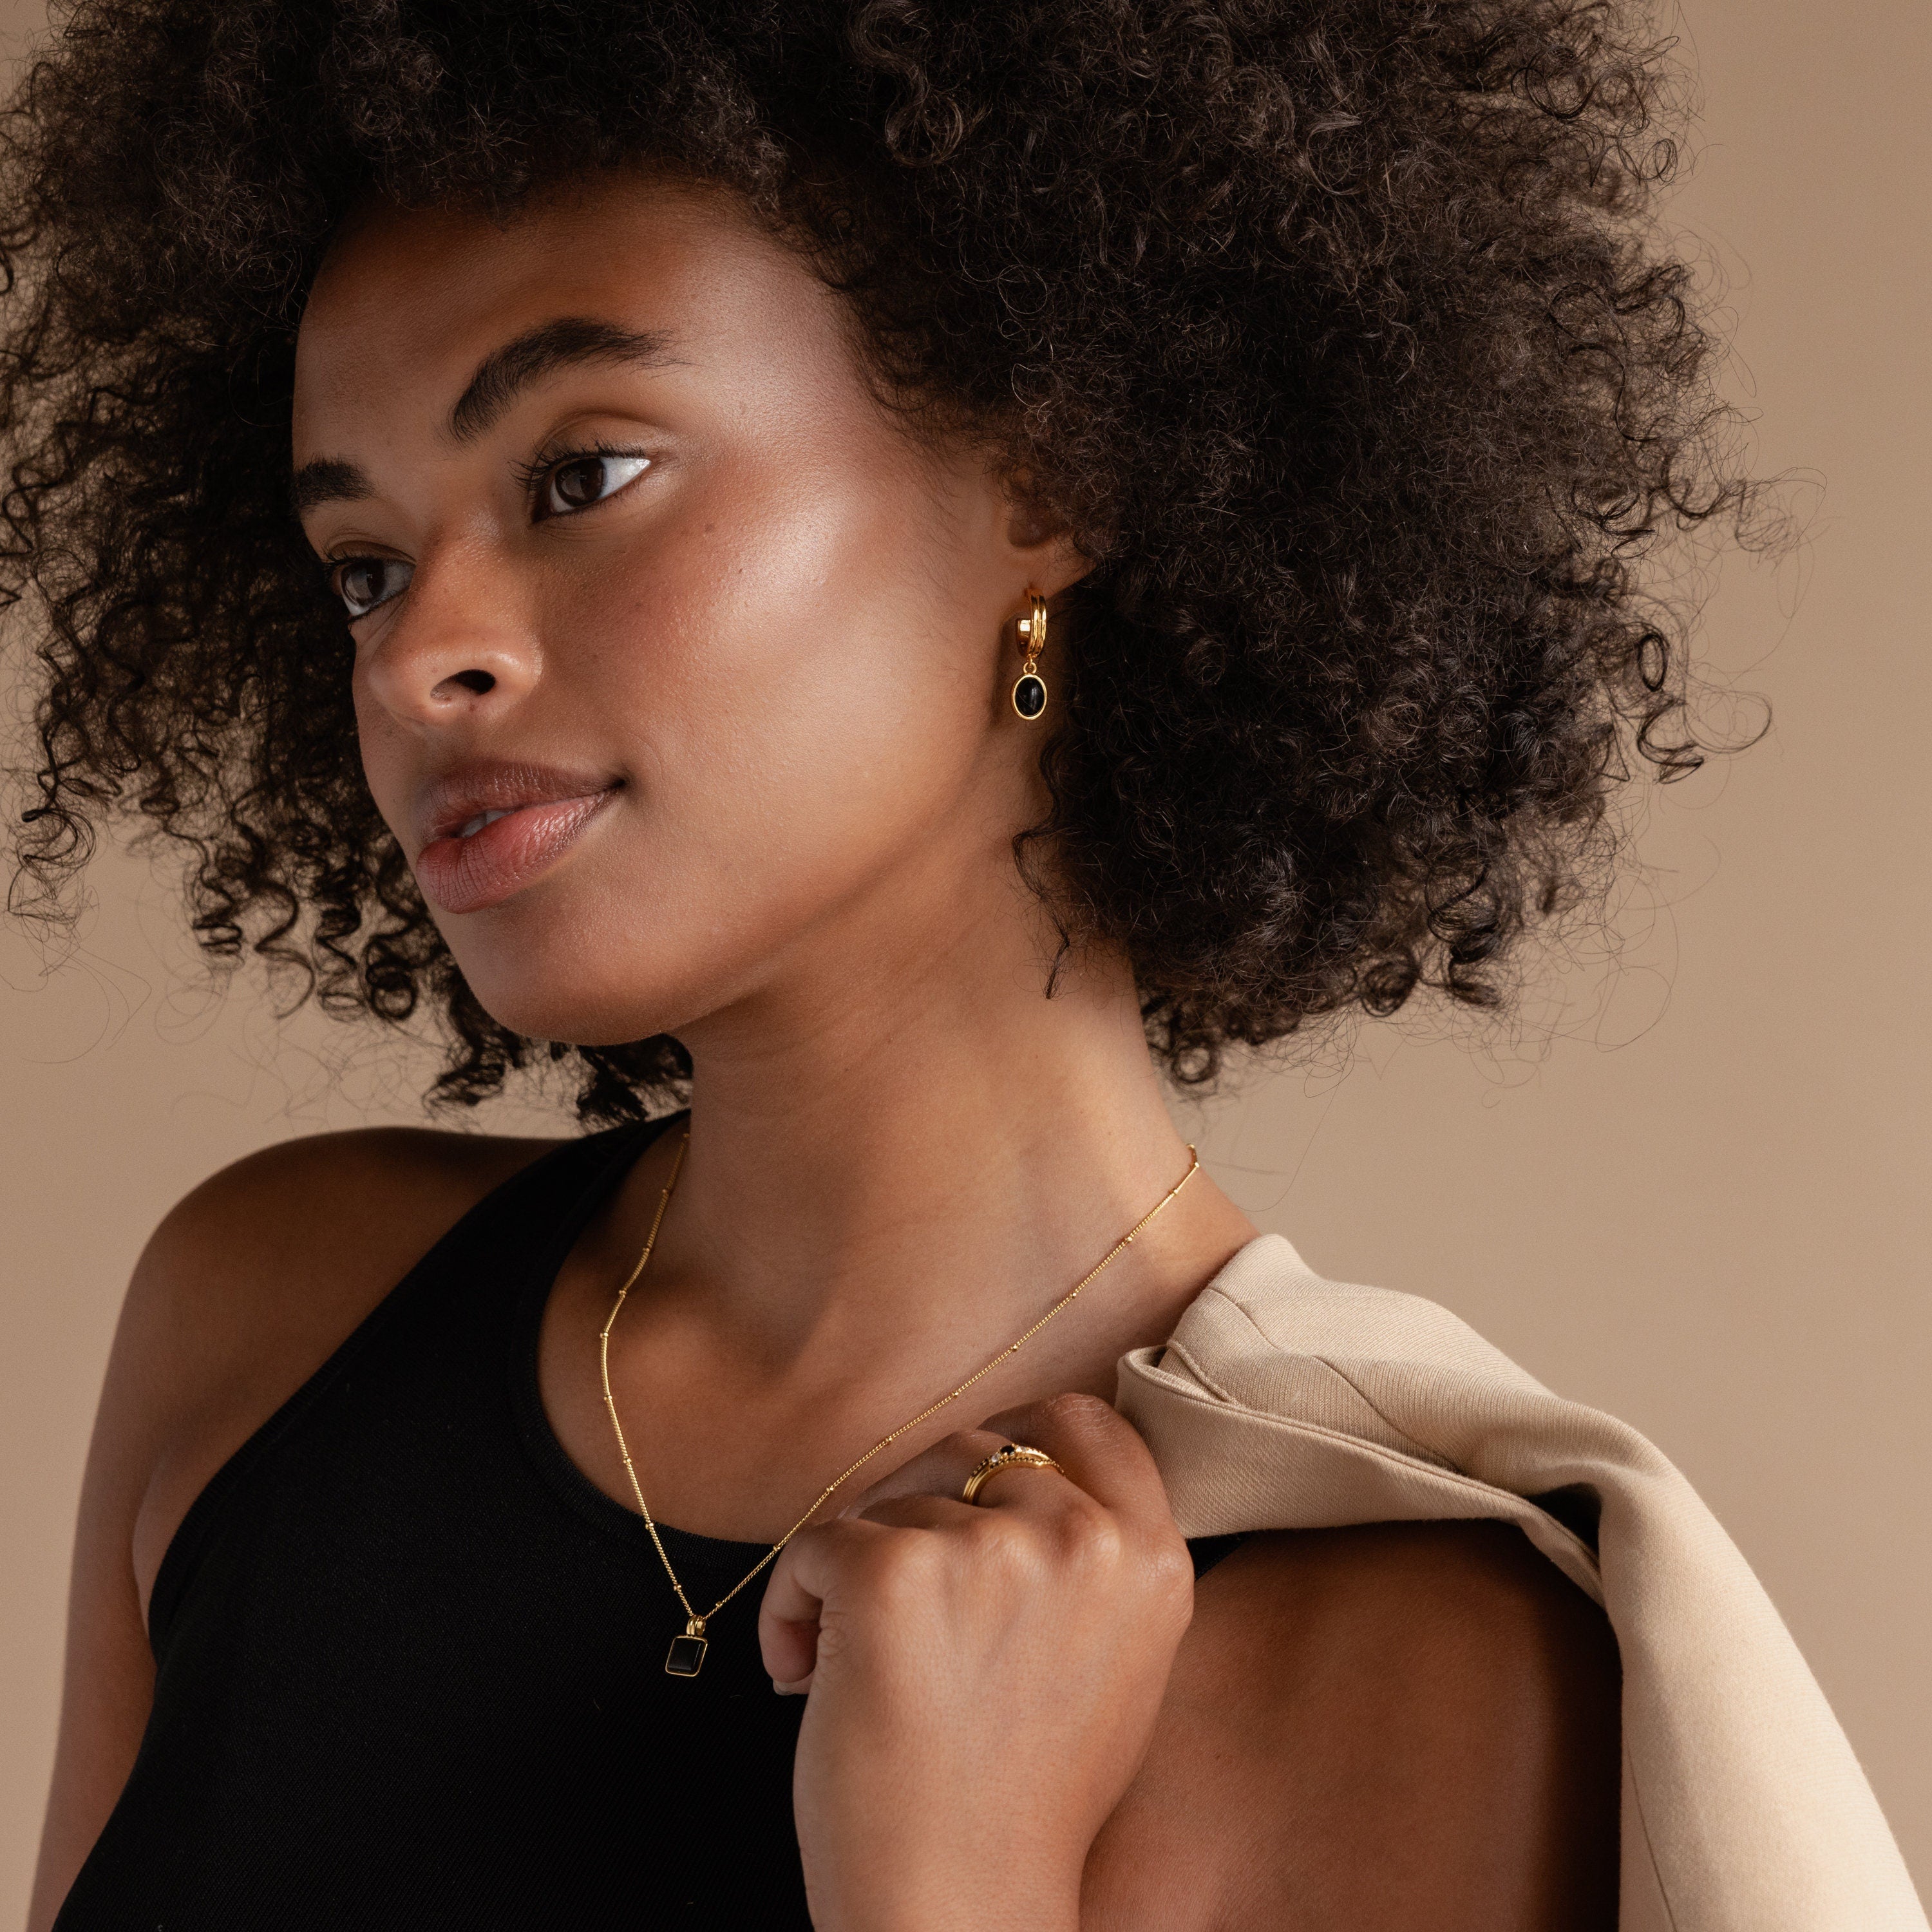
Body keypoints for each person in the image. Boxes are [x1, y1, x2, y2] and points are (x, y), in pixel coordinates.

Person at [6, 4, 1913, 1929]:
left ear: (1049, 470)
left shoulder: (1422, 1661)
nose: (421, 661)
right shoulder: (267, 1330)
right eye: (363, 566)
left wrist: (950, 1883)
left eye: (581, 476)